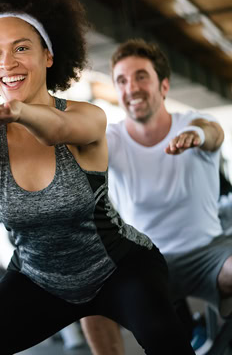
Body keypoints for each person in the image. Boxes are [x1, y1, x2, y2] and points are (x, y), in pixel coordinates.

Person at [0, 0, 195, 353]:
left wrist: (20, 112)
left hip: (120, 268)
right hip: (39, 280)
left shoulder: (88, 116)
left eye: (21, 48)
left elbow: (57, 129)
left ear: (48, 55)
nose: (7, 63)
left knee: (165, 340)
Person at [80, 39, 227, 355]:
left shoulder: (192, 122)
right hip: (148, 260)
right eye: (121, 80)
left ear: (163, 86)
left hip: (208, 254)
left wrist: (196, 137)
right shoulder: (112, 139)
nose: (131, 87)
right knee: (87, 297)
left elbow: (213, 132)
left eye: (141, 76)